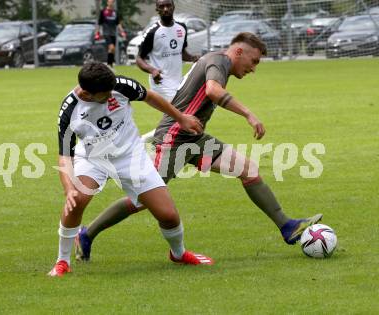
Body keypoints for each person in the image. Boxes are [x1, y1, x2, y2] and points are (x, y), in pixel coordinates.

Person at [75, 32, 323, 262]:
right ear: (238, 52)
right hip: (174, 138)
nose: (253, 69)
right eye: (254, 61)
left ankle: (287, 226)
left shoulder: (217, 61)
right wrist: (249, 115)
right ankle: (86, 234)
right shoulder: (220, 62)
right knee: (142, 199)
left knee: (247, 169)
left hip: (193, 138)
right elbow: (213, 91)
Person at [48, 62, 213, 277]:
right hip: (93, 158)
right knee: (76, 201)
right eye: (105, 95)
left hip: (131, 156)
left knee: (169, 215)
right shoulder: (70, 111)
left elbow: (150, 97)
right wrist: (69, 189)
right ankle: (62, 261)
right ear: (88, 94)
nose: (110, 97)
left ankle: (179, 254)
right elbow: (64, 156)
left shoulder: (119, 84)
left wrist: (181, 118)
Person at [137, 0, 199, 102]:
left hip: (178, 80)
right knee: (181, 109)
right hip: (160, 82)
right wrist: (152, 70)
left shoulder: (182, 28)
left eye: (168, 5)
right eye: (162, 6)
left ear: (173, 7)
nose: (165, 9)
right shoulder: (152, 32)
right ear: (157, 9)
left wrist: (192, 58)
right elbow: (139, 58)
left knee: (180, 114)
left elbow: (181, 52)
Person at [96, 0, 126, 67]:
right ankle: (109, 64)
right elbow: (99, 23)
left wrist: (122, 32)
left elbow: (118, 24)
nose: (111, 3)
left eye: (112, 1)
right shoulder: (103, 12)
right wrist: (97, 33)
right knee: (111, 47)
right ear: (107, 2)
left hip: (113, 34)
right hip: (106, 33)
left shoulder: (115, 12)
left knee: (112, 50)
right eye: (110, 1)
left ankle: (110, 65)